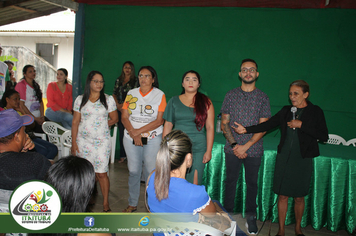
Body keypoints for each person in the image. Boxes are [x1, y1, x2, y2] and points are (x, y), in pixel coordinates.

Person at [233, 80, 328, 236]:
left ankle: (298, 229)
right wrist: (246, 130)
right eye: (290, 93)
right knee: (282, 195)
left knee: (299, 197)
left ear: (306, 94)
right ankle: (281, 230)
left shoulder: (315, 111)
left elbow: (323, 136)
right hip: (284, 157)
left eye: (296, 93)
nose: (292, 97)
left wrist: (301, 125)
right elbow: (267, 125)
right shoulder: (286, 111)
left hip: (302, 159)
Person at [147, 130, 233, 236]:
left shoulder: (152, 176)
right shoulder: (195, 193)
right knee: (227, 218)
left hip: (161, 232)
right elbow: (212, 214)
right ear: (188, 158)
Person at [220, 58, 271, 234]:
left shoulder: (263, 97)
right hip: (232, 148)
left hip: (254, 149)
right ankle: (226, 217)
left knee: (252, 184)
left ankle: (251, 217)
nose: (248, 73)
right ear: (240, 74)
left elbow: (264, 127)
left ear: (256, 74)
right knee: (230, 182)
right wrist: (235, 145)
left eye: (252, 70)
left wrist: (246, 146)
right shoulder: (230, 95)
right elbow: (224, 124)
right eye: (244, 70)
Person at [71, 71, 118, 213]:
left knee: (102, 173)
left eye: (101, 81)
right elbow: (75, 122)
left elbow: (115, 118)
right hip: (83, 142)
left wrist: (102, 125)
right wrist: (74, 143)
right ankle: (85, 199)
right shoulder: (80, 99)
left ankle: (105, 203)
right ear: (89, 82)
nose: (99, 84)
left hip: (101, 142)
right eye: (96, 81)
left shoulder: (108, 99)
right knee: (86, 173)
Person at [121, 66, 166, 212]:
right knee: (133, 171)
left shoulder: (160, 95)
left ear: (153, 79)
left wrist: (138, 132)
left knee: (150, 170)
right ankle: (132, 202)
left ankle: (151, 203)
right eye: (141, 75)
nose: (143, 78)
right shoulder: (131, 93)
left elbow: (160, 121)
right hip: (130, 136)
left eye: (147, 76)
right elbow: (124, 117)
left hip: (152, 137)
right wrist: (133, 133)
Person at [162, 70, 214, 185]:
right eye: (187, 79)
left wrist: (208, 151)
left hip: (198, 147)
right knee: (176, 177)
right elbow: (168, 125)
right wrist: (165, 147)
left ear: (199, 84)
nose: (191, 82)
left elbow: (210, 127)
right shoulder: (173, 101)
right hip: (177, 146)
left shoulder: (206, 102)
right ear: (182, 84)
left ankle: (193, 202)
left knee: (196, 179)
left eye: (194, 79)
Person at [0, 109, 51, 191]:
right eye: (24, 131)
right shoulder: (36, 162)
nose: (26, 135)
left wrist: (21, 151)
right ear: (17, 137)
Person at [0, 89, 58, 160]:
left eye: (19, 99)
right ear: (7, 100)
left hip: (28, 136)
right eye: (15, 99)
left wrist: (22, 111)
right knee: (43, 151)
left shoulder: (18, 111)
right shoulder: (3, 114)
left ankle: (43, 165)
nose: (18, 101)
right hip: (19, 139)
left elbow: (32, 125)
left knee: (53, 148)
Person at [112, 61, 138, 163]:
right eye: (125, 67)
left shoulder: (135, 81)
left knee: (131, 131)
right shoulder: (119, 80)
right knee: (122, 132)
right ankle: (123, 155)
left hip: (130, 110)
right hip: (119, 108)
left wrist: (125, 107)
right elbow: (114, 94)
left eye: (129, 68)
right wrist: (118, 105)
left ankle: (132, 156)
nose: (127, 69)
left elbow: (135, 96)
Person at [15, 65, 45, 133]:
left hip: (39, 117)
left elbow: (40, 102)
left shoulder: (36, 85)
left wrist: (42, 116)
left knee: (50, 127)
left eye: (34, 71)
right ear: (24, 74)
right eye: (30, 71)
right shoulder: (21, 85)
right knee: (43, 131)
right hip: (29, 117)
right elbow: (22, 105)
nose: (33, 73)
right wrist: (35, 118)